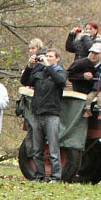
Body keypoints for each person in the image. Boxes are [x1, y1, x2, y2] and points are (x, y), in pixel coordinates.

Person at [20, 48, 68, 182]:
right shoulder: (39, 72)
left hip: (52, 115)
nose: (47, 58)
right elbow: (25, 81)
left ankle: (56, 176)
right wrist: (29, 67)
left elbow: (60, 82)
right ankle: (39, 175)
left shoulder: (61, 72)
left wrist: (48, 65)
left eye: (51, 56)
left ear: (57, 58)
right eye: (46, 56)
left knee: (53, 148)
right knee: (37, 149)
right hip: (37, 114)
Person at [67, 42, 101, 114]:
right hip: (79, 95)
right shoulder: (80, 63)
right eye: (92, 52)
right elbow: (68, 74)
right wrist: (82, 76)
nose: (93, 55)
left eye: (96, 53)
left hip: (98, 96)